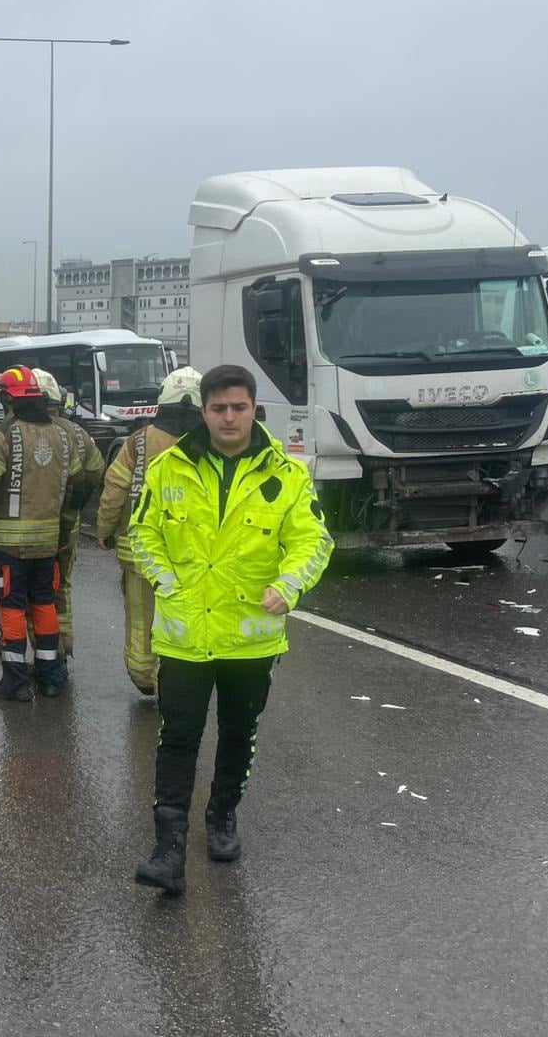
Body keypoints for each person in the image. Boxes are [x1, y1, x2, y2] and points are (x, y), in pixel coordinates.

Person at [129, 364, 333, 894]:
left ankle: (221, 816)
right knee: (177, 738)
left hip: (250, 637)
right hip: (185, 637)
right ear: (204, 412)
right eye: (218, 408)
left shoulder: (285, 475)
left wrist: (289, 586)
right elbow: (142, 531)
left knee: (239, 734)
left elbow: (314, 542)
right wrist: (164, 579)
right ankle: (168, 846)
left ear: (252, 410)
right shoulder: (169, 468)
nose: (228, 417)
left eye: (237, 407)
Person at [0, 366, 86, 701]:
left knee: (12, 607)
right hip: (48, 545)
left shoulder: (6, 435)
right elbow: (79, 486)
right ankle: (50, 679)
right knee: (45, 604)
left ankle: (16, 682)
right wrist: (65, 522)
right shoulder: (63, 435)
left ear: (8, 398)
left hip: (9, 547)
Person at [97, 366, 203, 695]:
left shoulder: (138, 442)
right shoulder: (212, 444)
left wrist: (105, 530)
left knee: (142, 616)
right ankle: (178, 678)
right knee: (186, 619)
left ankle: (144, 672)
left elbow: (114, 489)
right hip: (195, 556)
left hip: (140, 553)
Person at [34, 369, 103, 672]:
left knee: (33, 588)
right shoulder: (77, 432)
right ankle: (64, 642)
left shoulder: (22, 429)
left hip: (32, 527)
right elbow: (96, 471)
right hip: (68, 524)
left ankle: (44, 648)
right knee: (62, 583)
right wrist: (76, 503)